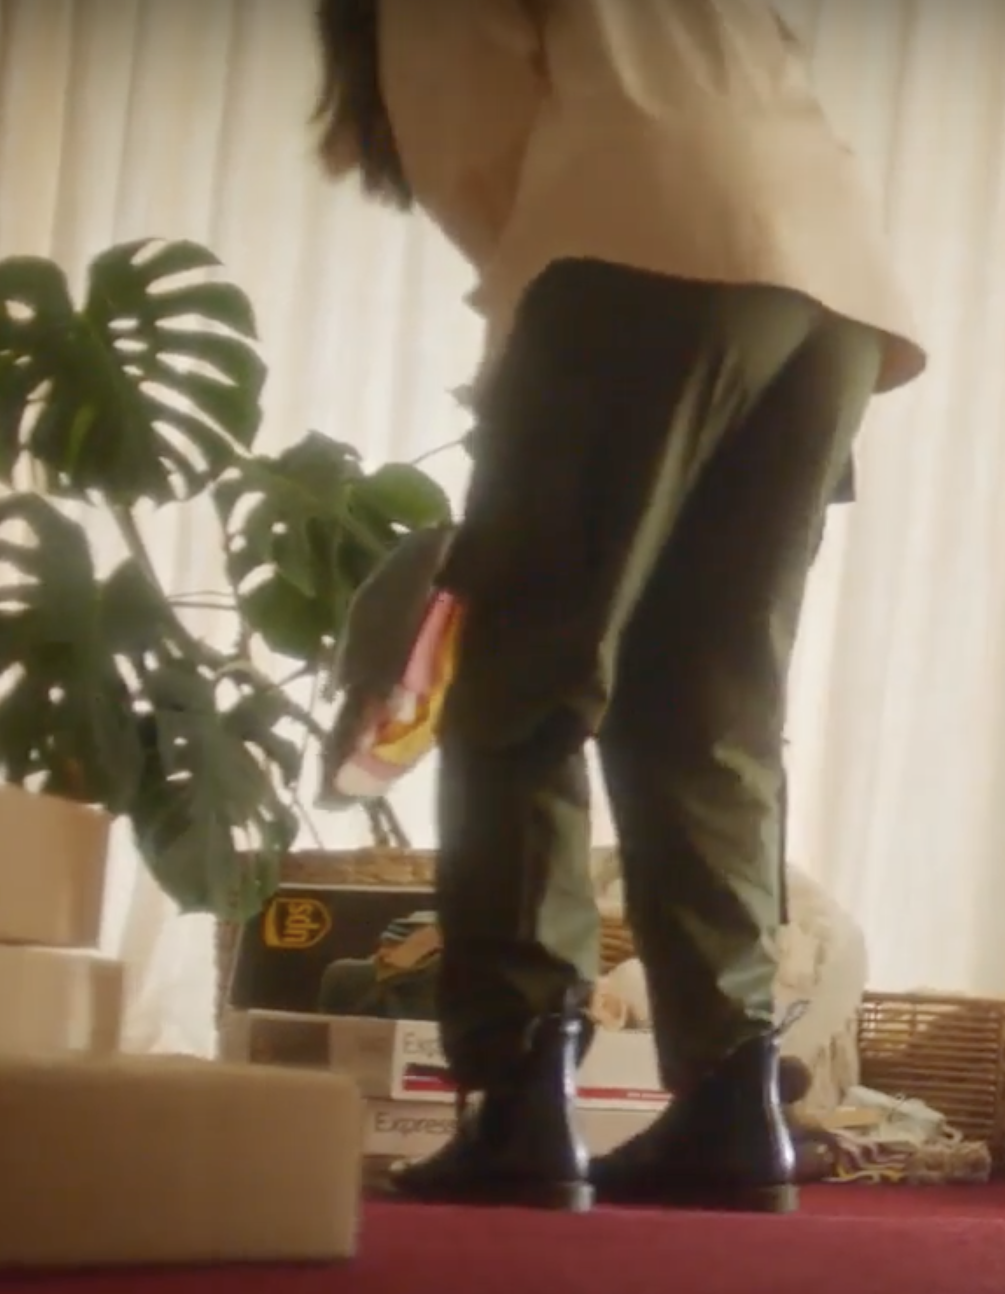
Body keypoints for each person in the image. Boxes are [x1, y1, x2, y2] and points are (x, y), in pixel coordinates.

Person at [310, 0, 925, 1215]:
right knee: (707, 706)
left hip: (640, 241)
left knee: (519, 685)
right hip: (832, 283)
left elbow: (477, 141)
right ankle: (729, 1100)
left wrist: (529, 365)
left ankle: (523, 1098)